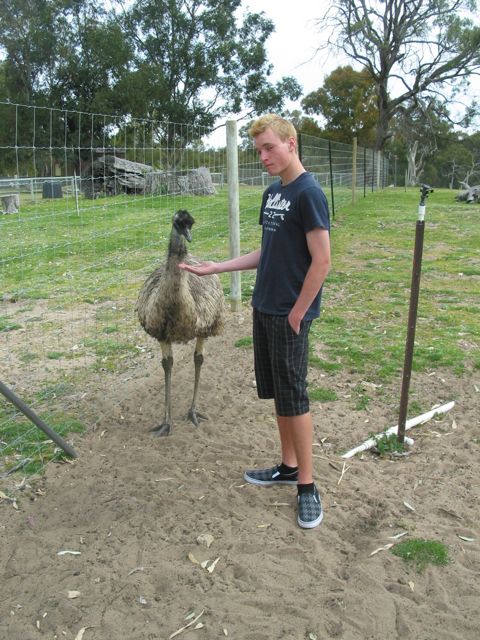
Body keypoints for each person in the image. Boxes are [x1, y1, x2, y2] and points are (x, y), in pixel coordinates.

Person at [179, 114, 331, 529]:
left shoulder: (308, 193)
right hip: (264, 308)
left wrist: (299, 311)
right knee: (280, 394)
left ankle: (307, 485)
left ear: (291, 144)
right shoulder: (272, 193)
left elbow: (322, 260)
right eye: (258, 150)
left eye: (269, 147)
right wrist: (218, 268)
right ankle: (287, 466)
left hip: (289, 315)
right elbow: (267, 252)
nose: (263, 156)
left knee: (295, 397)